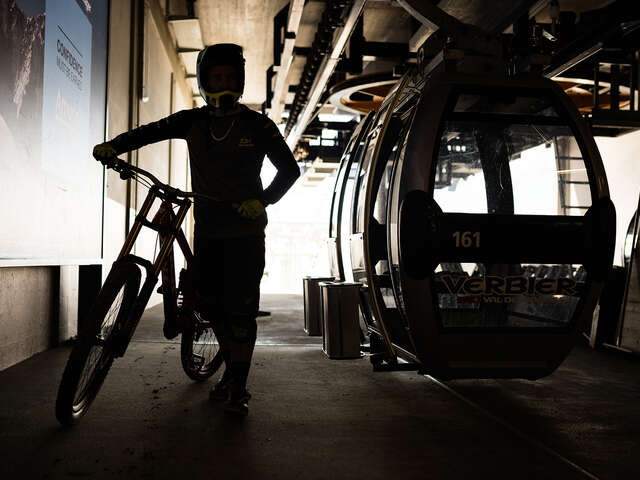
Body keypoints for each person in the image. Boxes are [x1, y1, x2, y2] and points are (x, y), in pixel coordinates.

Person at [92, 43, 300, 416]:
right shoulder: (194, 122)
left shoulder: (258, 125)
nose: (223, 83)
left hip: (245, 235)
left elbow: (290, 170)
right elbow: (150, 132)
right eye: (215, 77)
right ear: (205, 81)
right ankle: (229, 373)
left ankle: (238, 388)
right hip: (208, 233)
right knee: (213, 310)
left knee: (240, 314)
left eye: (229, 77)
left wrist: (263, 200)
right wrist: (114, 146)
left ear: (238, 81)